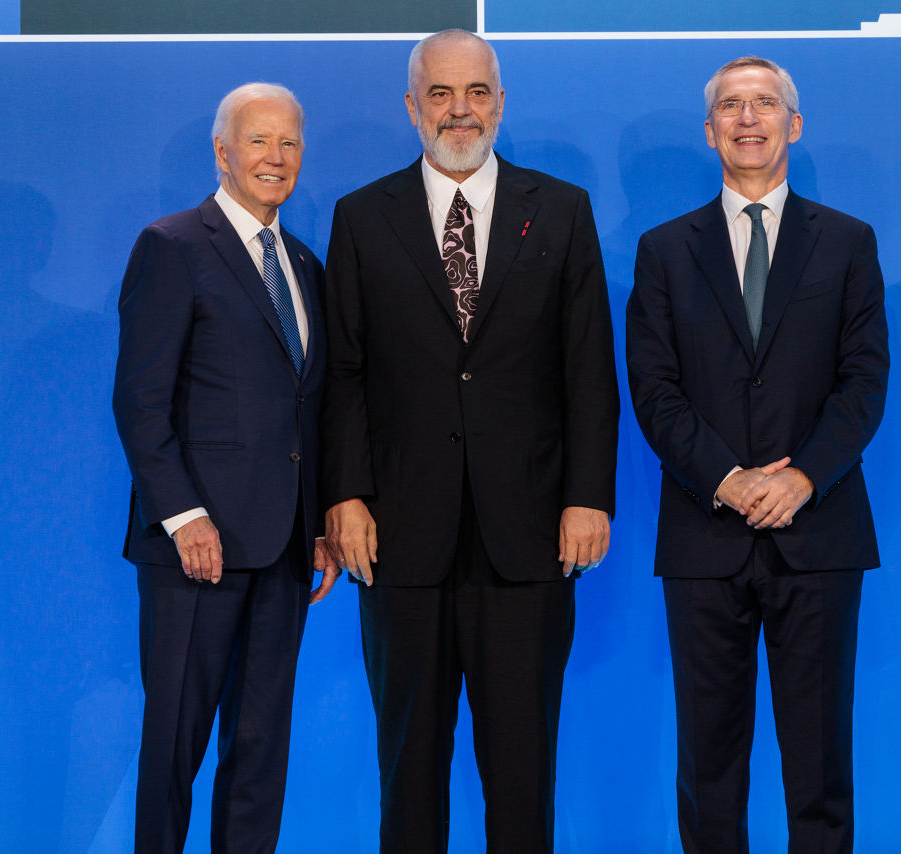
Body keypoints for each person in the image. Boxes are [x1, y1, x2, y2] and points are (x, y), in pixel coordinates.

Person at [320, 28, 619, 854]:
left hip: (528, 537)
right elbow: (342, 373)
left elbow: (589, 368)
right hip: (398, 539)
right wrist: (344, 494)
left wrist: (587, 496)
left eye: (477, 92)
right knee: (408, 770)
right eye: (442, 94)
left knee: (522, 773)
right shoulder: (361, 216)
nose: (461, 110)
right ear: (412, 106)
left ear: (500, 103)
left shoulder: (561, 209)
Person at [625, 56, 888, 853]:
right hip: (705, 539)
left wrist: (803, 477)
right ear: (710, 133)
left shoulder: (848, 242)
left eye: (765, 103)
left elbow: (864, 382)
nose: (748, 118)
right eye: (731, 107)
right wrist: (727, 480)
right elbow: (654, 390)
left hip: (819, 536)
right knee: (708, 769)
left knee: (821, 767)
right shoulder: (664, 250)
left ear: (792, 125)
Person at [112, 82, 339, 853]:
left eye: (290, 142)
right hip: (195, 552)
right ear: (223, 152)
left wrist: (316, 523)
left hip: (284, 554)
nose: (276, 157)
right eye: (258, 140)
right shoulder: (173, 246)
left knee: (260, 753)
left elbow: (306, 409)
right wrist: (184, 517)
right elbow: (140, 401)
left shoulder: (305, 265)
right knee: (174, 747)